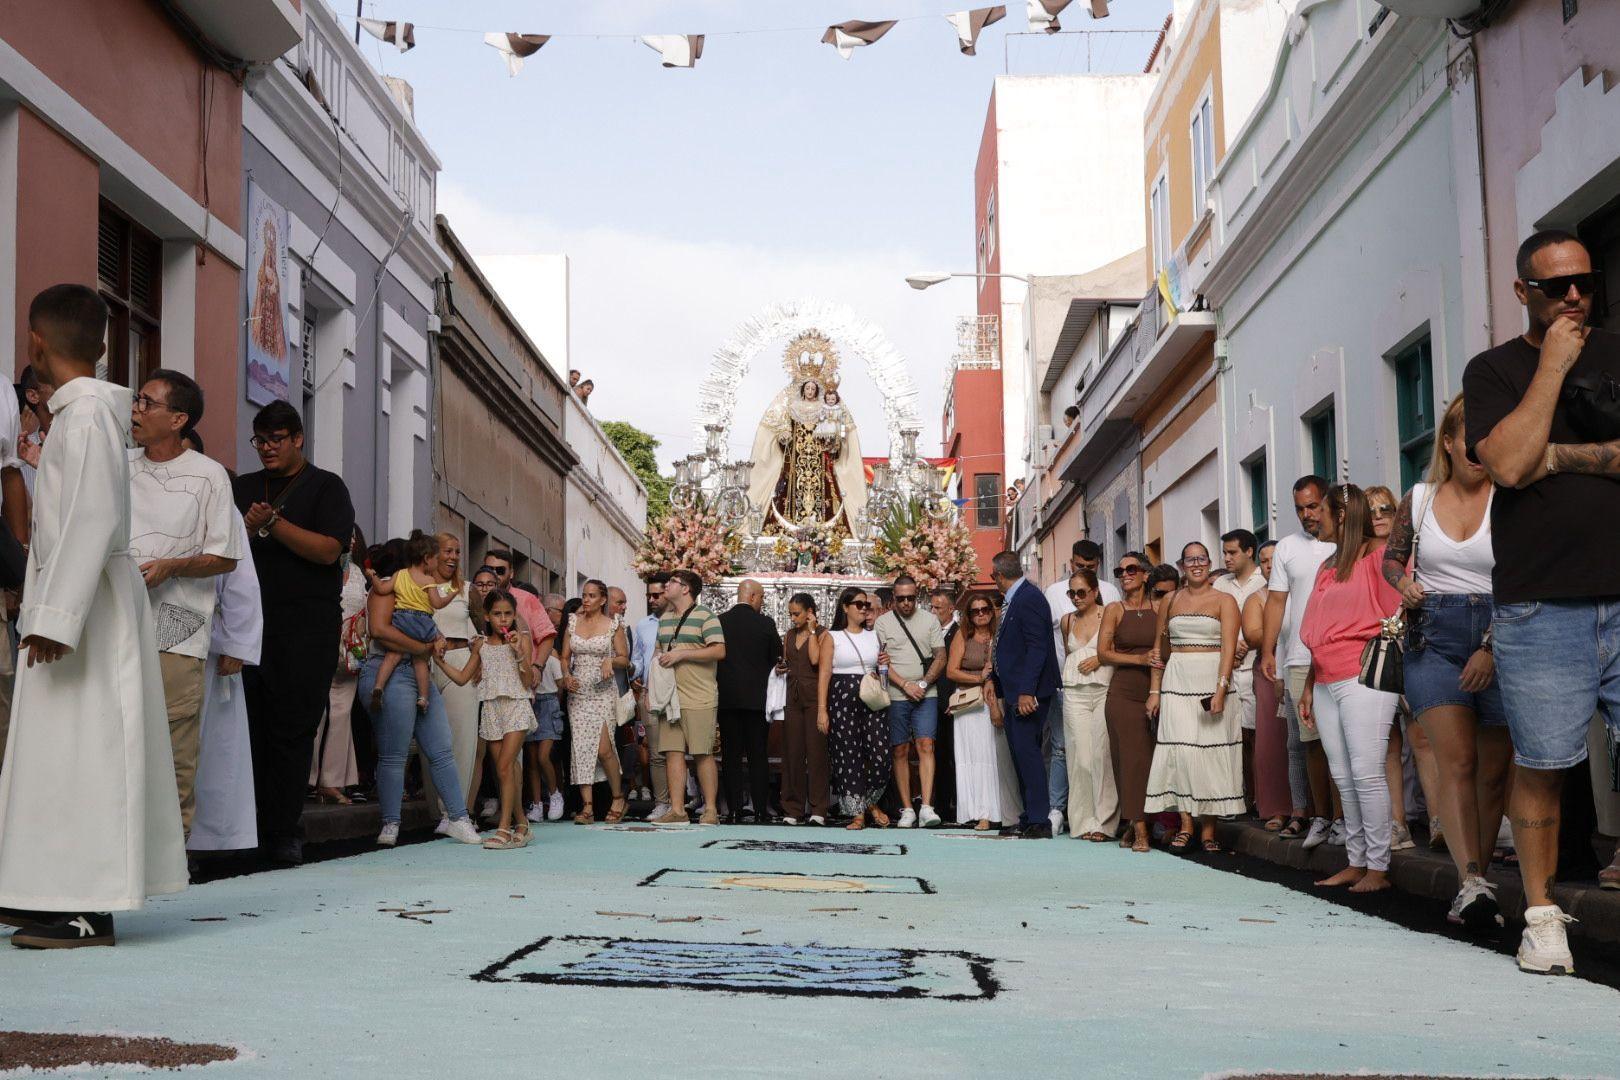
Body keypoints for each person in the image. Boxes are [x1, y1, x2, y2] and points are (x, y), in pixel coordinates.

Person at [0, 284, 186, 948]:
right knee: (59, 756)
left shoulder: (84, 420)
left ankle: (87, 908)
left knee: (90, 754)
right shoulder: (82, 416)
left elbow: (94, 517)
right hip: (79, 601)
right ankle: (46, 890)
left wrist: (53, 615)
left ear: (36, 345)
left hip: (84, 610)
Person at [1463, 229, 1620, 974]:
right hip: (1540, 603)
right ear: (1523, 292)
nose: (1574, 297)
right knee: (1545, 763)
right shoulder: (1494, 370)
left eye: (1583, 282)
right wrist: (1554, 366)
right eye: (1556, 287)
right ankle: (1541, 915)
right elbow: (1509, 462)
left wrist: (1554, 458)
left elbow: (1533, 462)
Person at [1382, 395, 1512, 929]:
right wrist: (1405, 583)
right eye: (1470, 435)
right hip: (1432, 635)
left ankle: (1475, 877)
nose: (1479, 446)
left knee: (1493, 772)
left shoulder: (1510, 498)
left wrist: (1490, 644)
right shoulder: (1418, 498)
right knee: (1456, 762)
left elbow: (1523, 574)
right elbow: (1391, 561)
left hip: (1503, 633)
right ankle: (1471, 881)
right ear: (1449, 442)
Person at [234, 400, 356, 865]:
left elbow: (329, 551)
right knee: (247, 732)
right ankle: (244, 832)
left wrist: (274, 524)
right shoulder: (243, 486)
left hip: (304, 631)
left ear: (298, 439)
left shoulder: (326, 487)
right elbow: (222, 545)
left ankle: (284, 831)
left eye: (275, 440)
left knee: (291, 732)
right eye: (259, 440)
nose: (266, 449)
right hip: (247, 625)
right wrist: (246, 530)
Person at [127, 369, 241, 837]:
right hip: (119, 619)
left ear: (178, 419)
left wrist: (172, 566)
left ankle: (173, 852)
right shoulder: (120, 465)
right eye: (136, 400)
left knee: (173, 743)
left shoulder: (209, 475)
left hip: (178, 625)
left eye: (146, 403)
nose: (135, 409)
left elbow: (225, 557)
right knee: (120, 737)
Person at [1297, 483, 1402, 893]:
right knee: (1343, 774)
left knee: (1366, 771)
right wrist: (1308, 685)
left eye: (1319, 511)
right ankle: (1356, 861)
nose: (1312, 518)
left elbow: (1397, 612)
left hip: (1364, 676)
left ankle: (1378, 867)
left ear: (1340, 516)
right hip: (1324, 678)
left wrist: (1377, 652)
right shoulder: (1328, 566)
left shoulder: (1379, 557)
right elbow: (1315, 631)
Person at [357, 547, 481, 849]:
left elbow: (427, 621)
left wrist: (433, 641)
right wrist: (423, 647)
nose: (432, 566)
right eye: (426, 562)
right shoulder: (389, 588)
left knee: (441, 748)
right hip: (393, 672)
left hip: (417, 671)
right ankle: (391, 822)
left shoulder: (416, 589)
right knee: (394, 753)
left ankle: (458, 816)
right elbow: (380, 630)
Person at [188, 428, 263, 855]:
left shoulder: (222, 507)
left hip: (208, 638)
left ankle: (206, 837)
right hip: (149, 631)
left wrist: (237, 642)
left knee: (211, 745)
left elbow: (239, 579)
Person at [1260, 475, 1341, 849]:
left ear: (1327, 502)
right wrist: (1267, 650)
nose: (1307, 515)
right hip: (1298, 658)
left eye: (1313, 506)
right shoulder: (1288, 548)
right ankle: (1322, 818)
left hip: (1342, 653)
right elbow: (1276, 601)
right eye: (1300, 509)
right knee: (1310, 742)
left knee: (1342, 741)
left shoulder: (1347, 540)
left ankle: (1346, 820)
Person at [1145, 542, 1243, 852]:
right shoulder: (1170, 600)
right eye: (1190, 559)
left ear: (1209, 562)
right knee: (1182, 755)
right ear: (1183, 564)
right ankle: (1187, 824)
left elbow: (1229, 648)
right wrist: (1154, 691)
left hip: (1212, 681)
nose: (1197, 564)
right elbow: (1159, 650)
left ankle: (1209, 830)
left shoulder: (1225, 600)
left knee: (1211, 754)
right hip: (1176, 682)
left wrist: (1221, 689)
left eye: (1202, 559)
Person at [445, 589, 534, 850]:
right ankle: (522, 824)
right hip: (492, 709)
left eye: (508, 614)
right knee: (506, 771)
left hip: (517, 705)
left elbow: (528, 682)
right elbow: (462, 678)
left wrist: (518, 652)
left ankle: (504, 828)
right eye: (497, 614)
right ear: (486, 616)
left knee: (506, 767)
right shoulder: (482, 645)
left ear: (515, 615)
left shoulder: (519, 641)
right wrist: (437, 661)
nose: (503, 619)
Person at [990, 551, 1058, 839]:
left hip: (1028, 694)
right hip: (1016, 690)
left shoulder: (1029, 598)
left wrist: (1027, 691)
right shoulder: (1017, 598)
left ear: (999, 576)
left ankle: (1039, 820)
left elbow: (1037, 647)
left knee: (1029, 754)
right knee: (1020, 754)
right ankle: (1029, 816)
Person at [651, 569, 726, 826]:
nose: (666, 585)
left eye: (672, 582)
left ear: (685, 589)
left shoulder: (706, 616)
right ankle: (677, 810)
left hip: (699, 694)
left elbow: (719, 650)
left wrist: (683, 654)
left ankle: (711, 810)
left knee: (702, 752)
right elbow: (659, 651)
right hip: (670, 696)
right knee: (672, 752)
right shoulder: (664, 619)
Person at [874, 574, 947, 828]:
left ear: (918, 597)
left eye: (911, 598)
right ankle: (907, 808)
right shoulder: (883, 623)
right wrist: (905, 684)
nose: (906, 603)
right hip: (896, 693)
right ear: (894, 598)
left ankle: (927, 806)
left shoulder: (929, 620)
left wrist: (923, 684)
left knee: (926, 744)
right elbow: (882, 661)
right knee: (900, 749)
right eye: (901, 598)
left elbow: (940, 657)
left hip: (926, 692)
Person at [1100, 552, 1160, 852]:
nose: (1124, 574)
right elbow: (1103, 653)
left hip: (1157, 690)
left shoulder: (1160, 607)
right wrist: (1137, 658)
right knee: (1129, 761)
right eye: (1119, 570)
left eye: (1131, 569)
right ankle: (1139, 829)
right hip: (1123, 693)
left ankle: (1136, 821)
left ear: (1146, 574)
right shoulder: (1114, 609)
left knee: (1151, 762)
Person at [947, 592, 1022, 830]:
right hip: (969, 705)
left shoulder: (1000, 635)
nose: (981, 614)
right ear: (968, 615)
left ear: (992, 611)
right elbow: (951, 671)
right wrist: (978, 677)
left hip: (995, 701)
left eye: (985, 610)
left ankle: (1000, 811)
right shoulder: (962, 635)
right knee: (973, 758)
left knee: (995, 758)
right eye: (975, 611)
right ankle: (980, 812)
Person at [559, 580, 631, 824]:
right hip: (578, 693)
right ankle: (587, 807)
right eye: (584, 595)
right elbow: (565, 656)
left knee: (604, 748)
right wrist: (567, 675)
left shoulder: (613, 625)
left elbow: (624, 658)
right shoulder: (572, 622)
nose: (586, 600)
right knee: (580, 747)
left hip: (602, 691)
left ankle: (618, 797)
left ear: (603, 600)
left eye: (591, 596)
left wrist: (611, 661)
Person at [821, 587, 892, 830]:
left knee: (881, 754)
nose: (864, 608)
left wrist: (884, 665)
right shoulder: (832, 636)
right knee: (847, 754)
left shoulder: (875, 636)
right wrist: (822, 709)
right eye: (859, 604)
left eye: (867, 605)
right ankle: (858, 814)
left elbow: (882, 673)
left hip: (871, 694)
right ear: (845, 607)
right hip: (841, 695)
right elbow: (824, 674)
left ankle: (869, 804)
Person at [366, 532, 454, 714]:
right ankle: (423, 697)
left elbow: (381, 588)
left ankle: (378, 687)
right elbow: (437, 604)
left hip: (402, 620)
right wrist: (452, 593)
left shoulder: (399, 576)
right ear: (426, 559)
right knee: (421, 662)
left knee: (393, 655)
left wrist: (372, 576)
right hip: (421, 625)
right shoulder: (428, 580)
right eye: (437, 558)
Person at [717, 580, 782, 823]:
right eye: (762, 597)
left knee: (731, 756)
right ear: (753, 596)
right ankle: (760, 811)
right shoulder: (764, 623)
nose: (762, 602)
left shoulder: (720, 621)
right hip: (757, 700)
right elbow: (777, 656)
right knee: (758, 756)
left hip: (727, 699)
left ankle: (733, 810)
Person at [311, 529, 367, 805]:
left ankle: (331, 782)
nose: (352, 540)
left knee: (342, 714)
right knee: (313, 713)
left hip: (350, 653)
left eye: (355, 536)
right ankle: (304, 778)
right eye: (347, 533)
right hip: (318, 644)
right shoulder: (320, 564)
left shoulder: (358, 573)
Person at [1059, 569, 1116, 840]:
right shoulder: (1066, 620)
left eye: (1082, 592)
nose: (1076, 598)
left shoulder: (1110, 614)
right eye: (1072, 593)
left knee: (1102, 756)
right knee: (1079, 757)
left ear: (1094, 591)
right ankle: (1082, 822)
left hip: (1104, 688)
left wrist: (1101, 659)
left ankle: (1104, 824)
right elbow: (1068, 653)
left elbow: (1121, 649)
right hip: (1073, 692)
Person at [1215, 529, 1267, 813]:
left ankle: (1260, 796)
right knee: (1233, 738)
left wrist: (1246, 643)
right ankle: (1240, 797)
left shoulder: (1264, 580)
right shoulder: (1221, 584)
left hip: (1255, 668)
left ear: (1249, 551)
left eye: (1232, 552)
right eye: (1224, 552)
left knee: (1257, 737)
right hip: (1227, 671)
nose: (1227, 558)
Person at [1245, 540, 1293, 831]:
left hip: (1300, 664)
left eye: (1275, 559)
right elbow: (1253, 636)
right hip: (1269, 669)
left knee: (1302, 742)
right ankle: (1276, 807)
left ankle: (1306, 807)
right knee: (1273, 742)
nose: (1270, 565)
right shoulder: (1257, 598)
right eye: (1264, 561)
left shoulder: (1300, 589)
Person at [779, 593, 831, 825]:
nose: (793, 618)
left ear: (810, 612)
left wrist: (811, 631)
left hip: (814, 699)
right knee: (792, 754)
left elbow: (815, 660)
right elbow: (787, 660)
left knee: (817, 753)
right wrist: (780, 668)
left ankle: (819, 808)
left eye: (797, 613)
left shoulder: (822, 634)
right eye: (790, 613)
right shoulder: (789, 635)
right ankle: (793, 808)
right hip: (793, 698)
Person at [632, 573, 671, 820]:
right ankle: (662, 802)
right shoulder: (643, 625)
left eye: (657, 595)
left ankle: (689, 800)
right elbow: (637, 658)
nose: (652, 599)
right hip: (649, 694)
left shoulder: (682, 620)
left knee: (680, 751)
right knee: (656, 751)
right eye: (649, 595)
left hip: (677, 692)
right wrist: (633, 671)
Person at [526, 592, 567, 823]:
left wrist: (557, 705)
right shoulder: (527, 651)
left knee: (543, 757)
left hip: (548, 702)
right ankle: (537, 804)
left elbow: (560, 685)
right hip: (530, 703)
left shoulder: (551, 655)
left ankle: (554, 794)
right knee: (532, 760)